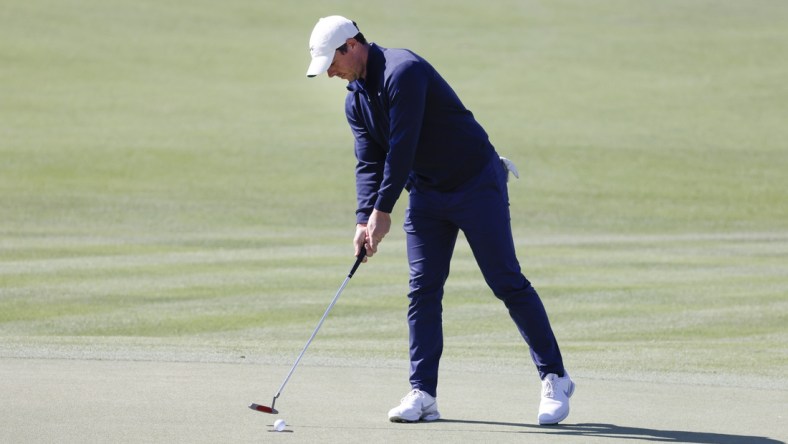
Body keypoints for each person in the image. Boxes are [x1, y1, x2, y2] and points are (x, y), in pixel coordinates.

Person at [305, 15, 574, 425]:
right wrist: (363, 218)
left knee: (505, 280)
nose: (329, 72)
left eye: (332, 61)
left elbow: (402, 147)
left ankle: (555, 375)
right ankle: (423, 393)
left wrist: (382, 212)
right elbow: (369, 162)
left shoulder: (404, 71)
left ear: (352, 45)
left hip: (475, 183)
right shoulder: (354, 99)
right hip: (428, 195)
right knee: (422, 290)